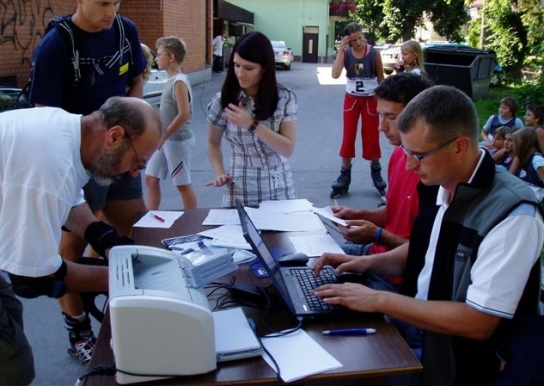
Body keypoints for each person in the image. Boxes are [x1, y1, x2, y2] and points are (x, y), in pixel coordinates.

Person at [313, 85, 544, 386]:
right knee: (315, 341)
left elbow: (479, 322)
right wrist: (364, 264)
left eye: (419, 155)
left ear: (459, 147)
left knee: (329, 375)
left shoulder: (513, 215)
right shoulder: (445, 182)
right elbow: (428, 254)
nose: (410, 165)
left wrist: (378, 299)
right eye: (407, 153)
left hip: (455, 359)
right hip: (419, 324)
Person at [0, 97, 162, 384]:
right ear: (114, 136)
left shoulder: (65, 133)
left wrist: (105, 239)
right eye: (138, 161)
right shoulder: (48, 164)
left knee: (10, 315)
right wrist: (123, 280)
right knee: (13, 366)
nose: (135, 172)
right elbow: (33, 279)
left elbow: (70, 201)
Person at [28, 0, 148, 363]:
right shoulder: (55, 45)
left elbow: (136, 81)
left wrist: (130, 126)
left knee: (133, 228)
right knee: (71, 248)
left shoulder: (125, 31)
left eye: (117, 4)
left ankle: (119, 313)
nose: (111, 14)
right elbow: (43, 118)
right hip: (76, 161)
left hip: (118, 152)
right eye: (102, 4)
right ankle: (78, 328)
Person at [333, 73, 434, 293]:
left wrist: (378, 235)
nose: (381, 127)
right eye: (380, 116)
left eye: (390, 117)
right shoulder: (398, 153)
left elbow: (427, 254)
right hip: (373, 252)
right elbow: (396, 210)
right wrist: (359, 215)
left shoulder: (435, 174)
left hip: (396, 278)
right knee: (305, 264)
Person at [207, 31, 297, 208]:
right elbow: (212, 142)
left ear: (264, 68)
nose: (240, 73)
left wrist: (252, 124)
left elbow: (287, 149)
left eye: (249, 68)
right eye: (236, 65)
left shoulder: (284, 98)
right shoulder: (223, 100)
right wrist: (219, 173)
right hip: (241, 189)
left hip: (279, 189)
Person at [330, 22, 385, 199]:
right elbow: (335, 75)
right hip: (352, 99)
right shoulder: (346, 54)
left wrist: (385, 102)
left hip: (370, 100)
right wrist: (340, 51)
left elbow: (381, 78)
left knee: (371, 136)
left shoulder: (374, 53)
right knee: (348, 136)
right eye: (353, 40)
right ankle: (344, 174)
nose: (358, 43)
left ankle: (376, 171)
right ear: (348, 41)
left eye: (360, 38)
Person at [145, 36, 197, 210]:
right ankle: (151, 217)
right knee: (150, 178)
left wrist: (164, 135)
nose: (156, 59)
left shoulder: (179, 81)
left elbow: (184, 114)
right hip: (166, 139)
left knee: (182, 185)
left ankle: (192, 220)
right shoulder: (171, 80)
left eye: (159, 54)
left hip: (177, 141)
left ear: (171, 57)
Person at [512, 127, 544, 201]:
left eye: (514, 142)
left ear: (522, 144)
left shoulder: (537, 160)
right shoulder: (523, 158)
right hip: (522, 192)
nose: (513, 145)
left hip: (532, 197)